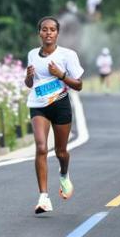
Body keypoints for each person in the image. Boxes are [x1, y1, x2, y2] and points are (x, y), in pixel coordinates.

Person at [25, 16, 84, 214]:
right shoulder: (32, 54)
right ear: (39, 33)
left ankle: (64, 174)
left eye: (52, 29)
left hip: (60, 105)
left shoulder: (68, 55)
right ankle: (44, 197)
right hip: (38, 104)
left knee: (61, 152)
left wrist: (61, 75)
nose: (48, 32)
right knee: (41, 147)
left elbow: (79, 85)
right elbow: (30, 85)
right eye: (44, 29)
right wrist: (28, 76)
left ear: (57, 33)